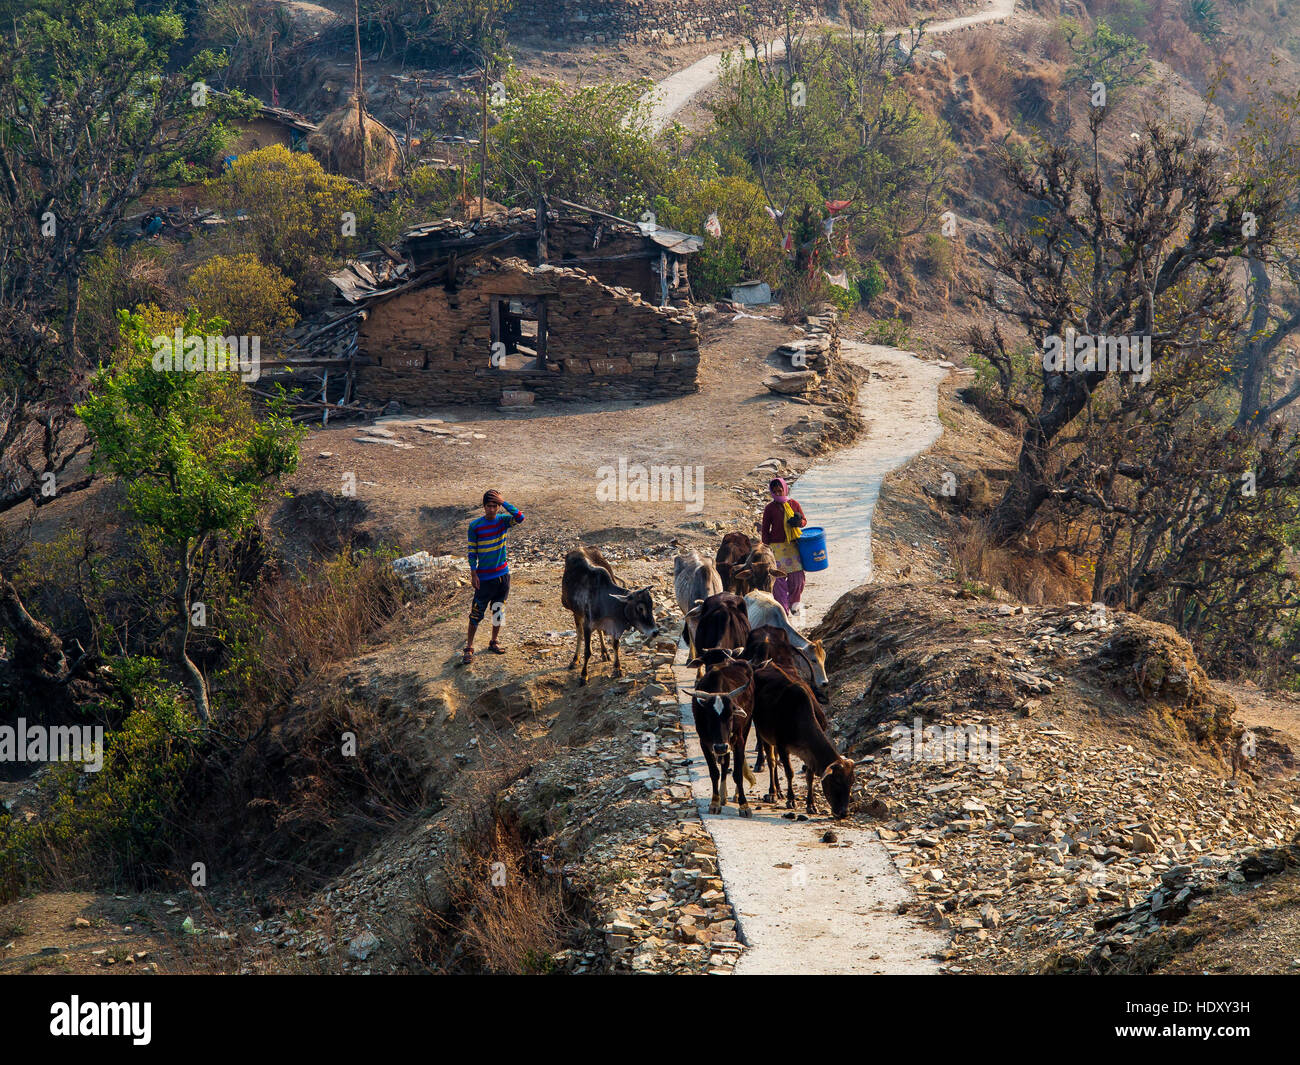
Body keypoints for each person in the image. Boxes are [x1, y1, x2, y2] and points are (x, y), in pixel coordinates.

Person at [463, 489, 524, 664]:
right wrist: (473, 573)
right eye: (488, 506)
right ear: (483, 507)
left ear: (498, 507)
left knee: (499, 610)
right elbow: (472, 551)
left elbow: (520, 517)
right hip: (484, 578)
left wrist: (504, 502)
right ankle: (469, 647)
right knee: (476, 613)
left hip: (502, 576)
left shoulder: (503, 521)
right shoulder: (475, 526)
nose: (491, 509)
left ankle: (494, 641)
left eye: (495, 506)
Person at [761, 477, 807, 615]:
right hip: (777, 548)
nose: (778, 494)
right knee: (778, 581)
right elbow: (765, 529)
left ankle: (794, 605)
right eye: (774, 492)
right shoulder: (769, 508)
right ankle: (783, 609)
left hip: (793, 546)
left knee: (797, 579)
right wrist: (766, 547)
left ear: (785, 489)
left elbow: (804, 521)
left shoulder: (794, 504)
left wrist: (799, 522)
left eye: (779, 490)